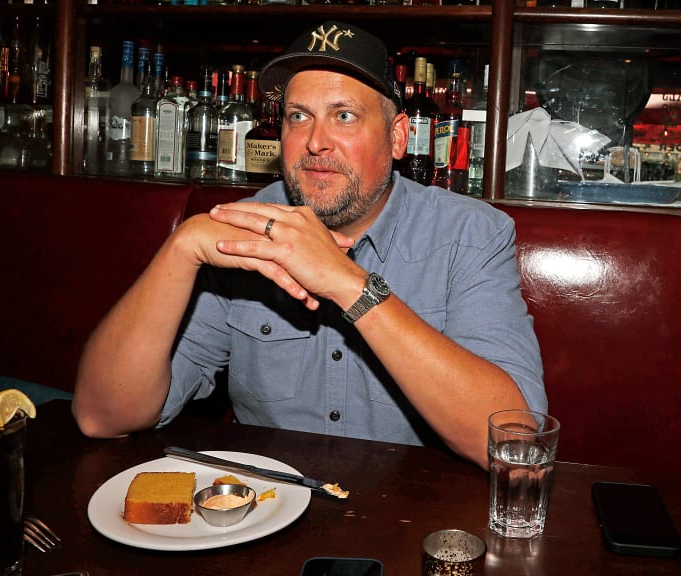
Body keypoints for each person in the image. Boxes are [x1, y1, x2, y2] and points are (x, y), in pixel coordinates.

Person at [72, 21, 546, 470]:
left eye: (344, 116)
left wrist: (350, 286)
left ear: (398, 136)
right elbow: (102, 416)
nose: (316, 141)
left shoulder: (471, 234)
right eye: (299, 116)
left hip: (409, 527)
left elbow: (517, 443)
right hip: (262, 520)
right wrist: (181, 248)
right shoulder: (241, 230)